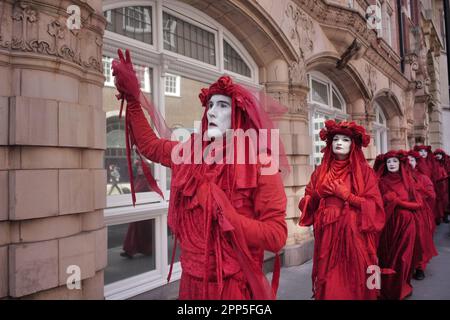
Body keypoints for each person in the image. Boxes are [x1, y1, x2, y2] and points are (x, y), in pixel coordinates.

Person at [112, 49, 288, 300]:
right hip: (191, 286)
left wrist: (226, 215)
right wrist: (132, 99)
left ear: (238, 113)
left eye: (222, 105)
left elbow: (276, 236)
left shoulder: (260, 163)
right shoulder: (189, 154)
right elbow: (150, 146)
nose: (212, 112)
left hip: (232, 289)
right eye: (210, 105)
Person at [298, 120, 385, 300]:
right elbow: (305, 203)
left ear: (353, 145)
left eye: (345, 140)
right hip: (327, 236)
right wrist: (317, 194)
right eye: (336, 139)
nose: (339, 142)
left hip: (354, 236)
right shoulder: (320, 171)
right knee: (329, 282)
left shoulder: (365, 172)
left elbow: (374, 207)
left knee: (355, 280)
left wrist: (347, 196)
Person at [374, 150, 419, 300]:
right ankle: (383, 288)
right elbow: (374, 203)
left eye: (394, 161)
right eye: (388, 162)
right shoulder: (381, 181)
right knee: (385, 257)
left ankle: (400, 289)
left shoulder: (408, 181)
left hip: (406, 225)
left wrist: (399, 202)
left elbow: (418, 204)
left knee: (402, 258)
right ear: (385, 165)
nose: (391, 164)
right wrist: (385, 200)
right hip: (386, 225)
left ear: (400, 163)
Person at [406, 150, 438, 279]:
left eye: (412, 160)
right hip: (404, 214)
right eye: (407, 160)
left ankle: (420, 267)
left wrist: (420, 189)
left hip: (421, 213)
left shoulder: (423, 178)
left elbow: (432, 195)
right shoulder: (400, 176)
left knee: (420, 241)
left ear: (416, 163)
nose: (409, 163)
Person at [121, 160, 154, 259]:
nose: (139, 169)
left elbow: (152, 193)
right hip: (138, 208)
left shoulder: (148, 180)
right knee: (134, 230)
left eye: (141, 168)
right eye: (138, 167)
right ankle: (129, 250)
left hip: (145, 209)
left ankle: (146, 249)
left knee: (144, 232)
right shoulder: (138, 179)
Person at [413, 145, 447, 225]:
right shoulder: (415, 162)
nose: (423, 153)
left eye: (425, 151)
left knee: (433, 203)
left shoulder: (431, 161)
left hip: (432, 185)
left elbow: (435, 173)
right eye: (421, 151)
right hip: (421, 185)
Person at [433, 149, 449, 224]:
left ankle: (445, 216)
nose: (438, 155)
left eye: (439, 154)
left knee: (445, 201)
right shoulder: (433, 163)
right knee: (438, 202)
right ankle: (438, 217)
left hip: (445, 184)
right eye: (436, 154)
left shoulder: (446, 162)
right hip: (436, 184)